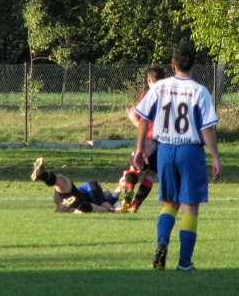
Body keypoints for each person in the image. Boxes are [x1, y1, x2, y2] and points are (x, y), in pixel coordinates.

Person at [133, 41, 221, 272]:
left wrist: (140, 148)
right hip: (190, 151)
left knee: (168, 203)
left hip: (165, 150)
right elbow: (207, 128)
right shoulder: (200, 91)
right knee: (190, 207)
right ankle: (184, 263)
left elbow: (142, 118)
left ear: (172, 63)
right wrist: (215, 157)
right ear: (194, 64)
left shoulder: (159, 88)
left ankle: (162, 242)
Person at [119, 64, 167, 213]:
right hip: (166, 143)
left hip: (149, 140)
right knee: (151, 174)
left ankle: (127, 196)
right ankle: (135, 206)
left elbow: (141, 124)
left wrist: (133, 118)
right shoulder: (171, 95)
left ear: (148, 80)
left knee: (135, 168)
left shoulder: (147, 95)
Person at [31, 157, 124, 213]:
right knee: (61, 180)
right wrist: (120, 187)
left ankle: (77, 205)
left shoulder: (102, 198)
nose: (107, 191)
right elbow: (96, 189)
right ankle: (42, 175)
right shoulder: (96, 191)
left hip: (66, 206)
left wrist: (112, 205)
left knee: (99, 209)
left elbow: (111, 198)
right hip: (71, 196)